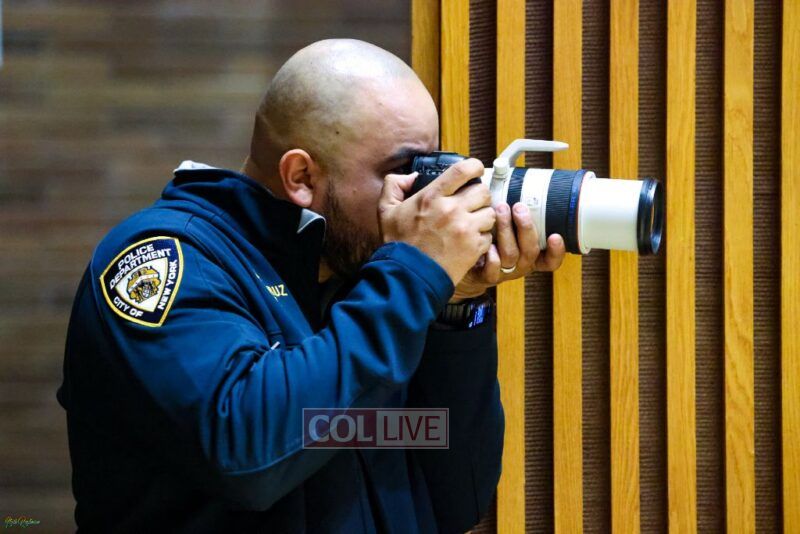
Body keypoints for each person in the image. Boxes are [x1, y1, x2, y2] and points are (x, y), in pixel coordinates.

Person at [57, 39, 565, 533]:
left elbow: (454, 499)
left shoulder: (361, 277)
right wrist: (412, 272)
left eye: (427, 166)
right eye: (400, 169)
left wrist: (453, 309)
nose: (421, 196)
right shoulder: (167, 258)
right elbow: (249, 453)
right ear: (300, 176)